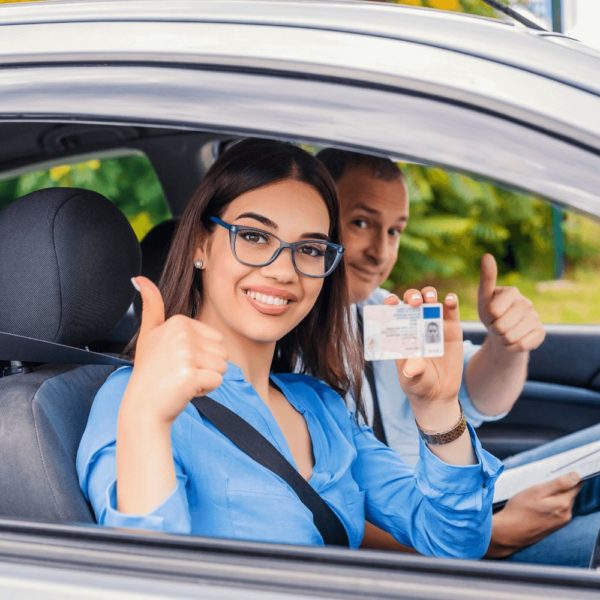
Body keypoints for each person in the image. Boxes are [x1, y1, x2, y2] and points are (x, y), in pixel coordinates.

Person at [76, 139, 501, 556]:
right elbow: (144, 580)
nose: (283, 271)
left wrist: (439, 410)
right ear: (201, 245)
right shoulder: (135, 398)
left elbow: (453, 542)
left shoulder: (321, 406)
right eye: (255, 236)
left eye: (310, 249)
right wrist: (146, 417)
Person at [317, 148, 600, 567]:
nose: (381, 252)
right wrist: (493, 536)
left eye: (395, 231)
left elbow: (476, 396)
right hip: (425, 547)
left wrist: (505, 344)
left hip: (449, 500)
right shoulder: (284, 353)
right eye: (361, 223)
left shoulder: (380, 312)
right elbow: (331, 514)